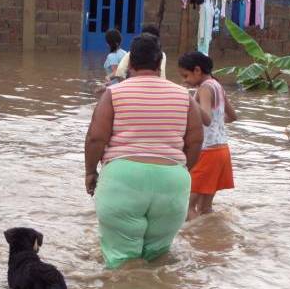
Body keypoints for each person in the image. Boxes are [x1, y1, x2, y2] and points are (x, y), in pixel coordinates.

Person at [85, 34, 204, 268]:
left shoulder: (114, 94)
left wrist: (91, 172)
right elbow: (196, 141)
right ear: (160, 63)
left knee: (121, 261)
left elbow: (96, 138)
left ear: (130, 64)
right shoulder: (184, 96)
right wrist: (180, 169)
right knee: (159, 258)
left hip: (123, 179)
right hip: (172, 182)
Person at [177, 51, 237, 220]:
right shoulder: (217, 86)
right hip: (222, 151)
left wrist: (188, 101)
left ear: (197, 71)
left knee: (186, 207)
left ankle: (192, 243)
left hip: (207, 152)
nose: (184, 80)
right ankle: (208, 239)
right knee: (205, 208)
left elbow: (207, 118)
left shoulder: (204, 88)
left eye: (185, 75)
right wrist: (216, 124)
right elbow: (232, 116)